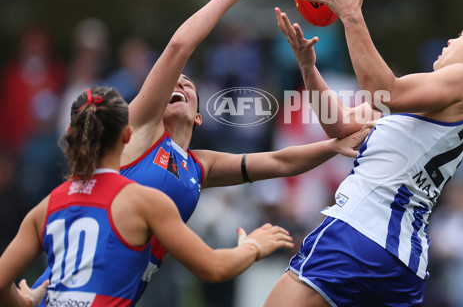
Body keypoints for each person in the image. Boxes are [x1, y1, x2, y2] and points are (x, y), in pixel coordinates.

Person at [31, 0, 373, 305]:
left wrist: (332, 148)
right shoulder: (136, 131)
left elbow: (281, 162)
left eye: (188, 85)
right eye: (172, 85)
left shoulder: (198, 165)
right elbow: (180, 46)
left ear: (198, 117)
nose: (178, 83)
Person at [265, 0, 463, 306]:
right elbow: (340, 124)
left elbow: (381, 89)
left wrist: (351, 14)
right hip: (401, 260)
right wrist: (308, 68)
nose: (450, 41)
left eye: (459, 37)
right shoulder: (447, 103)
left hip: (358, 233)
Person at [0, 86, 295, 307]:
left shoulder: (47, 206)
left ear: (69, 134)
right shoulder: (141, 201)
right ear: (127, 136)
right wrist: (254, 246)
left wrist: (24, 302)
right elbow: (214, 267)